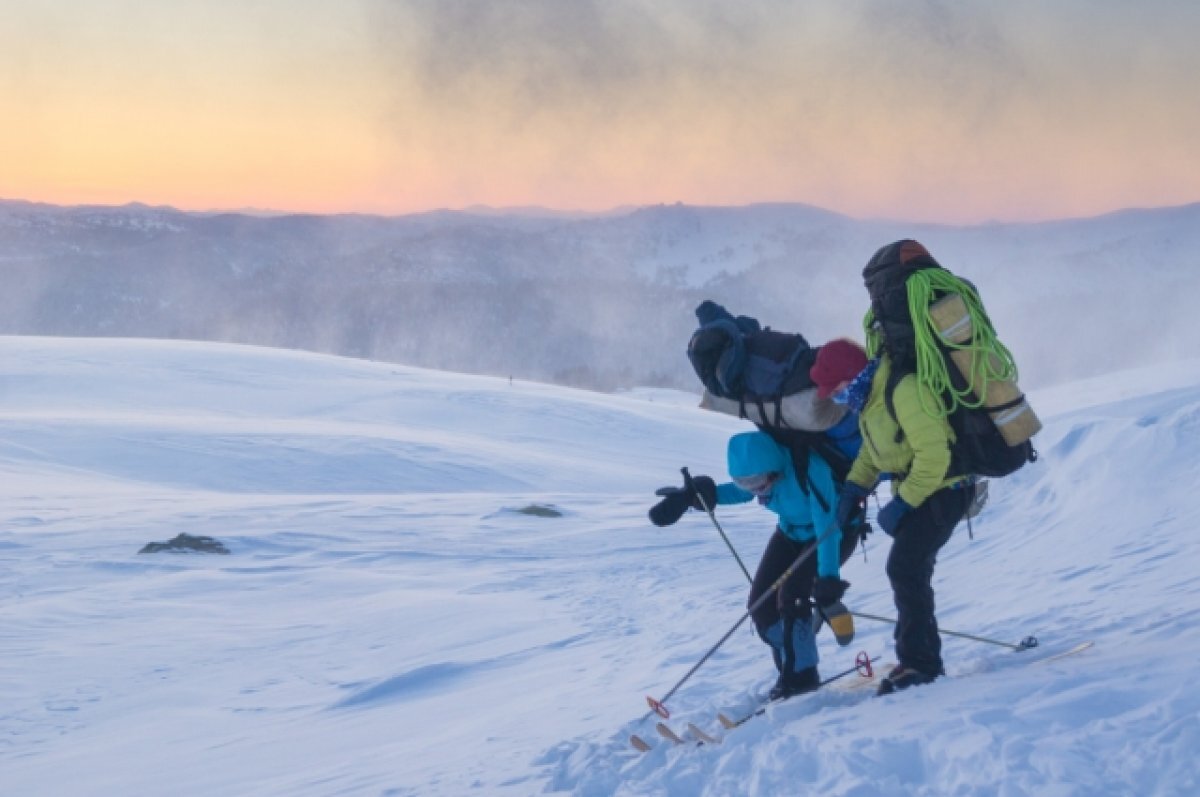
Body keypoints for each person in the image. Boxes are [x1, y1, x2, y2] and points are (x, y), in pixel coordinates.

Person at [649, 339, 869, 700]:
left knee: (793, 597)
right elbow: (738, 491)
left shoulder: (806, 470)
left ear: (773, 469)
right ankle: (792, 659)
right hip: (791, 534)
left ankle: (803, 675)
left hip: (832, 532)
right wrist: (698, 497)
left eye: (757, 482)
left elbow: (828, 524)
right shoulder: (764, 477)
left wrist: (828, 579)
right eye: (747, 483)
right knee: (760, 603)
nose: (756, 490)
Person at [816, 320, 977, 696]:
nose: (836, 397)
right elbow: (874, 455)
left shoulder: (902, 390)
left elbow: (934, 455)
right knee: (909, 570)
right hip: (924, 489)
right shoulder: (870, 400)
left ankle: (921, 664)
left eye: (836, 389)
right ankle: (919, 657)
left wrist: (903, 503)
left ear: (851, 375)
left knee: (905, 568)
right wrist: (853, 488)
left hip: (947, 488)